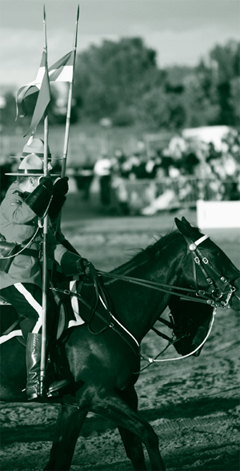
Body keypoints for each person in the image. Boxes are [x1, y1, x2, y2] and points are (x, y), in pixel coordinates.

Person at [0, 142, 96, 400]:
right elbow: (22, 216)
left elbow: (52, 245)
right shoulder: (11, 200)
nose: (51, 168)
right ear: (32, 178)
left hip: (39, 275)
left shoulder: (41, 209)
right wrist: (46, 190)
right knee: (41, 312)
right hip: (13, 276)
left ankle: (61, 366)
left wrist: (77, 262)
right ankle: (36, 382)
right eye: (46, 168)